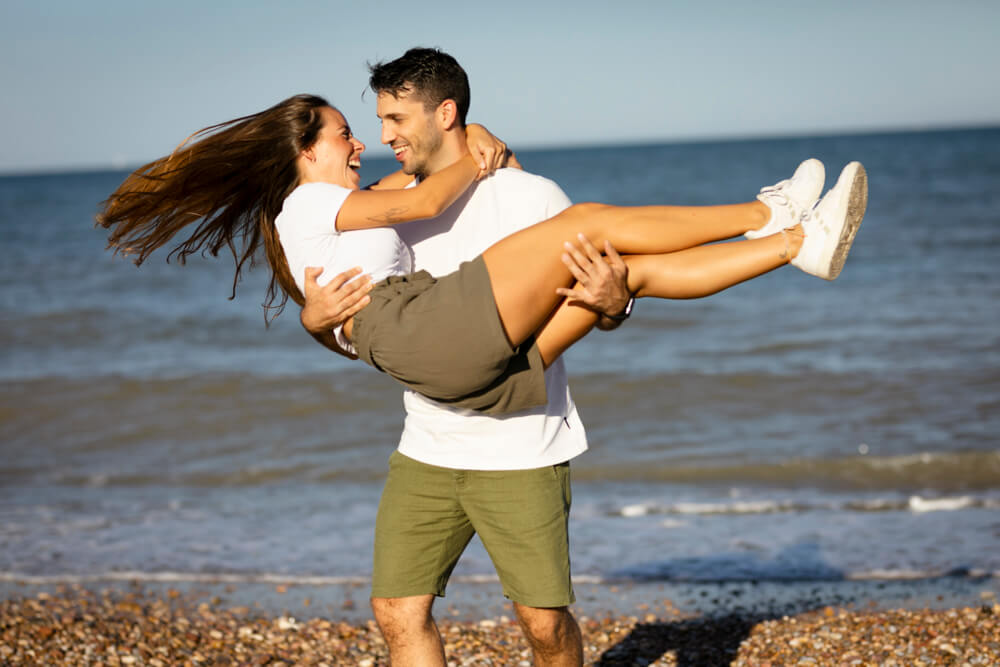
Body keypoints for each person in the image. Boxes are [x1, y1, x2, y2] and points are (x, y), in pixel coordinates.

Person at [98, 50, 866, 664]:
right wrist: (314, 318)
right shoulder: (318, 203)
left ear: (444, 114)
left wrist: (611, 299)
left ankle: (798, 242)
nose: (371, 139)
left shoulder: (413, 200)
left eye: (391, 121)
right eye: (350, 132)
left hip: (482, 389)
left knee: (634, 267)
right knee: (597, 221)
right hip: (431, 380)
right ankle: (774, 212)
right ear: (304, 153)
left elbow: (416, 211)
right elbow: (418, 213)